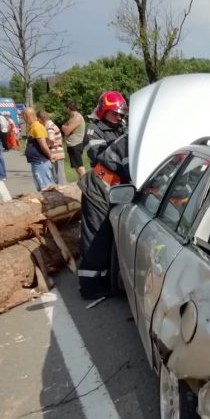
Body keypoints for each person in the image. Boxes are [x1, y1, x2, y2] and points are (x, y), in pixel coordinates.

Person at [77, 91, 130, 299]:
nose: (120, 118)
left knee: (109, 238)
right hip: (98, 190)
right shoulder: (94, 130)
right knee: (95, 240)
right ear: (104, 111)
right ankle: (89, 287)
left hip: (117, 191)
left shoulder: (123, 129)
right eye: (115, 114)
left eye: (122, 115)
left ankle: (107, 280)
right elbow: (100, 155)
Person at [21, 107, 55, 191]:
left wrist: (50, 156)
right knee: (41, 187)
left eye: (23, 116)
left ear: (26, 116)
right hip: (37, 162)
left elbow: (43, 145)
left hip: (41, 163)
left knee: (46, 187)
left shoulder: (37, 127)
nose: (23, 119)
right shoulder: (33, 127)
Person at [37, 109, 66, 185]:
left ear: (40, 119)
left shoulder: (49, 127)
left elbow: (51, 138)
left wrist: (46, 144)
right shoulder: (50, 125)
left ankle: (63, 192)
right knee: (56, 176)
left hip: (56, 154)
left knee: (59, 177)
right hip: (56, 153)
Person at [62, 100, 86, 176]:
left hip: (76, 144)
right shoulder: (72, 117)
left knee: (80, 167)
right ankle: (83, 182)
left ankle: (87, 183)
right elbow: (65, 127)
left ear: (68, 108)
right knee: (77, 167)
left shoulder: (77, 117)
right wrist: (65, 127)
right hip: (72, 145)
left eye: (66, 108)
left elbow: (66, 131)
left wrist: (64, 127)